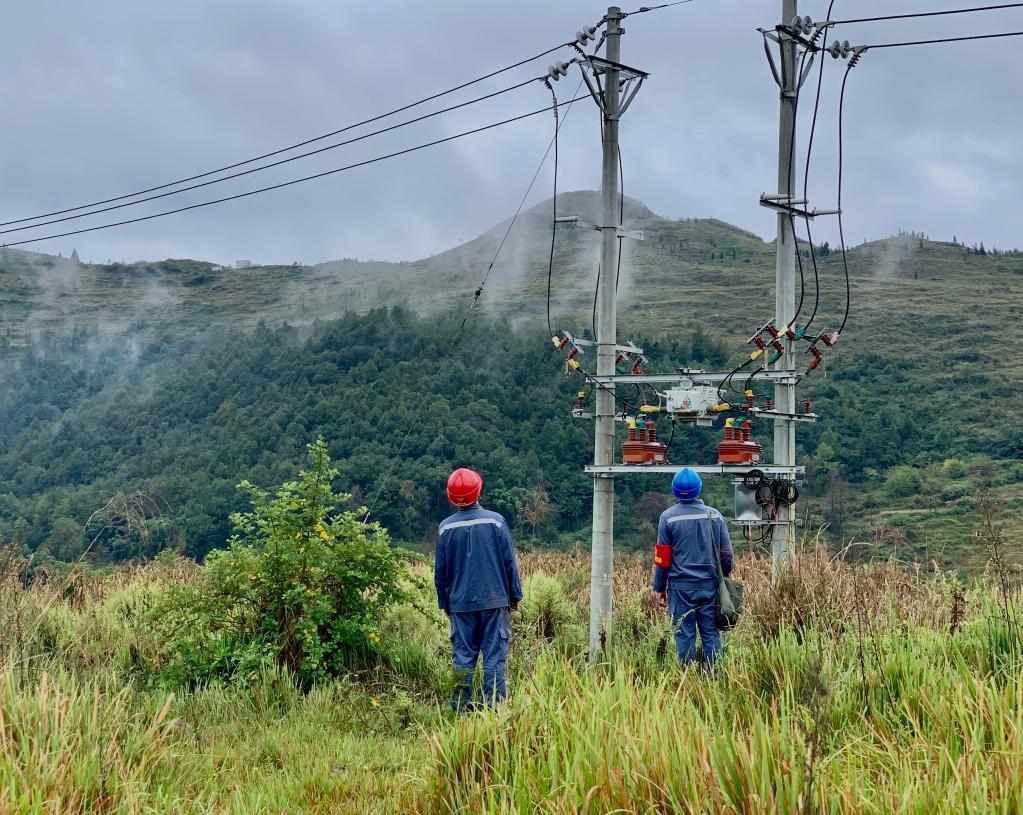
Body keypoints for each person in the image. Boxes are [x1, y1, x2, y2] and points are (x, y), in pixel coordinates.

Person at [434, 467, 522, 711]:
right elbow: (509, 564)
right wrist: (514, 596)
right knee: (494, 659)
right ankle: (495, 713)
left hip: (460, 605)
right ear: (478, 491)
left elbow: (440, 574)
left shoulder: (444, 528)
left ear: (451, 497)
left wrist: (445, 604)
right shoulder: (496, 521)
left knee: (463, 660)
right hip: (495, 602)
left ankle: (461, 715)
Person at [651, 468, 734, 665]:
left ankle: (688, 682)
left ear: (674, 491)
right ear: (699, 489)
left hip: (680, 589)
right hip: (710, 586)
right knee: (711, 635)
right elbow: (727, 555)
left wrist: (659, 588)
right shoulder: (715, 516)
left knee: (684, 635)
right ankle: (716, 681)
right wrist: (725, 577)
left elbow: (662, 559)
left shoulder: (667, 518)